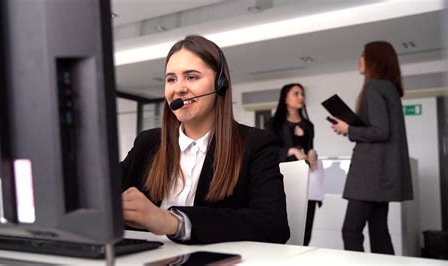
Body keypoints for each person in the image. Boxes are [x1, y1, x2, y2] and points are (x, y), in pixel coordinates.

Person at [120, 35, 290, 245]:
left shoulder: (256, 144)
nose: (179, 88)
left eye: (191, 77)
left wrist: (173, 222)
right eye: (171, 79)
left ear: (220, 84)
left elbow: (273, 225)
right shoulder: (148, 143)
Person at [330, 41, 413, 254]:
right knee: (379, 231)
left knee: (351, 231)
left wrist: (348, 129)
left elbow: (380, 132)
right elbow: (382, 130)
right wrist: (350, 128)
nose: (359, 60)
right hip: (381, 174)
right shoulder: (390, 88)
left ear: (374, 60)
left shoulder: (374, 87)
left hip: (370, 175)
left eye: (363, 55)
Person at [265, 83, 321, 246]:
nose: (301, 97)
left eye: (302, 94)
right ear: (285, 98)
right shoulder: (273, 123)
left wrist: (312, 152)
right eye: (296, 94)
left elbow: (310, 147)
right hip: (282, 178)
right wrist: (291, 151)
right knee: (284, 222)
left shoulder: (308, 125)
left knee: (306, 224)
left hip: (307, 176)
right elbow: (268, 152)